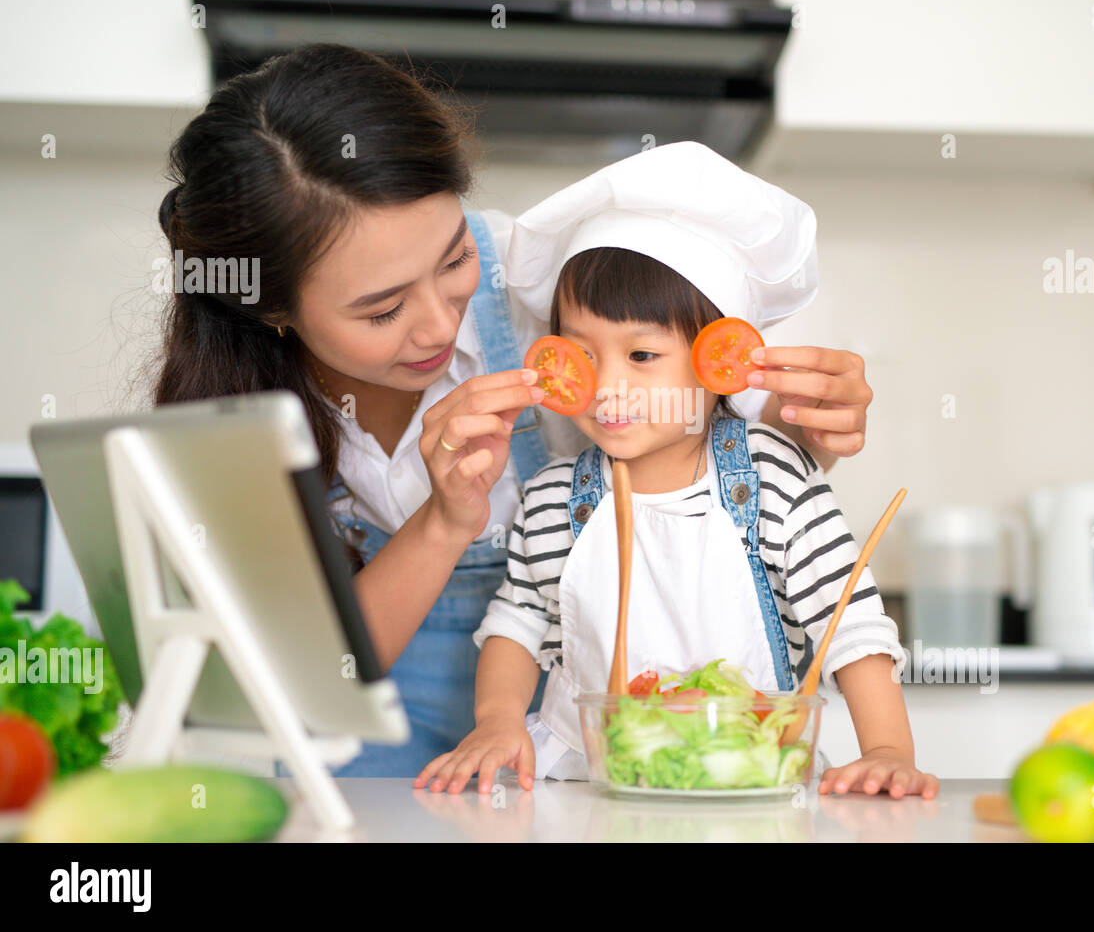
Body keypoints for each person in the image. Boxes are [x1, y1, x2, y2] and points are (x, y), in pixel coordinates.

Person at [151, 43, 876, 776]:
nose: (438, 324)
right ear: (274, 307)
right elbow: (291, 689)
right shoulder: (232, 412)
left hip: (532, 776)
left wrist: (807, 427)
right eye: (383, 310)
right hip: (346, 773)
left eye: (453, 257)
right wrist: (444, 522)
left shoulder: (551, 279)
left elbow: (715, 432)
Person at [414, 143, 939, 800]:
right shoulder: (553, 497)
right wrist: (495, 721)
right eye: (578, 353)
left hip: (746, 782)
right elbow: (516, 623)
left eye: (641, 353)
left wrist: (888, 749)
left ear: (720, 361)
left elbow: (852, 621)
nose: (607, 386)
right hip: (584, 788)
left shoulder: (773, 478)